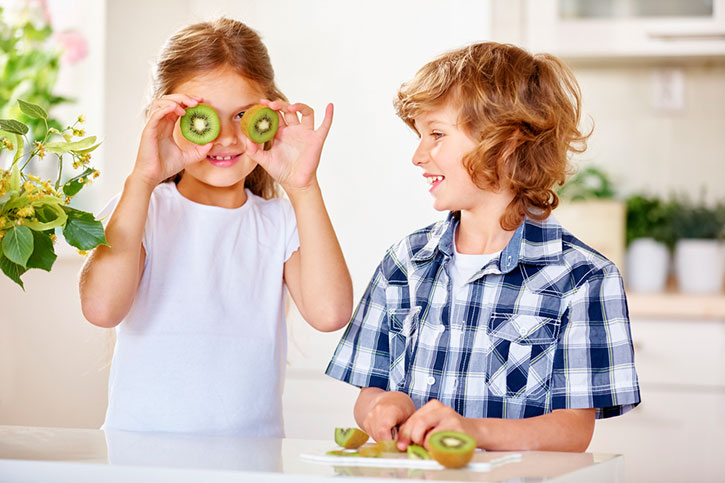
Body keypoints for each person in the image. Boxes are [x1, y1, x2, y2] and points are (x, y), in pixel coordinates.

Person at [326, 42, 640, 452]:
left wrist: (470, 431)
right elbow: (369, 393)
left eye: (436, 134)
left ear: (505, 141)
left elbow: (572, 432)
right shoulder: (404, 264)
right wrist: (385, 405)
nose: (418, 155)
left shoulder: (582, 278)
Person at [79, 17, 353, 436]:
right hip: (138, 455)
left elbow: (330, 313)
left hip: (251, 458)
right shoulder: (143, 209)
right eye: (203, 116)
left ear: (270, 114)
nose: (224, 138)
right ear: (165, 117)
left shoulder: (279, 221)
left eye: (244, 115)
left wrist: (303, 186)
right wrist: (142, 179)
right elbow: (101, 309)